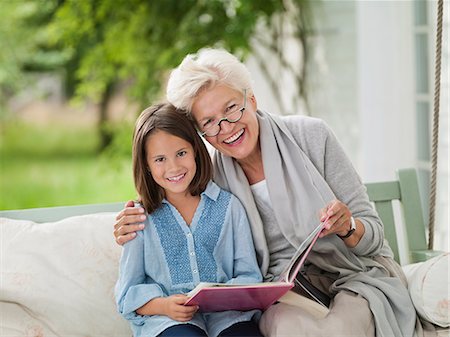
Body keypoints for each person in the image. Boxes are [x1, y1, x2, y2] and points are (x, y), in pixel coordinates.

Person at [114, 49, 417, 336]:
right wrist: (130, 217)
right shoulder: (213, 183)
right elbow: (169, 186)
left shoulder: (312, 137)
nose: (226, 126)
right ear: (200, 134)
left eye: (232, 108)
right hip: (285, 292)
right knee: (282, 328)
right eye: (209, 122)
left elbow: (373, 235)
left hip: (351, 275)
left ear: (252, 100)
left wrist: (348, 226)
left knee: (340, 329)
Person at [115, 103, 264, 337]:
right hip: (166, 322)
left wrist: (224, 295)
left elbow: (250, 275)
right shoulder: (138, 218)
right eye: (160, 159)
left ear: (195, 149)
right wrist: (163, 306)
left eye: (181, 153)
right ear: (146, 164)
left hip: (228, 316)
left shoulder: (229, 207)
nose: (173, 167)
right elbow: (127, 295)